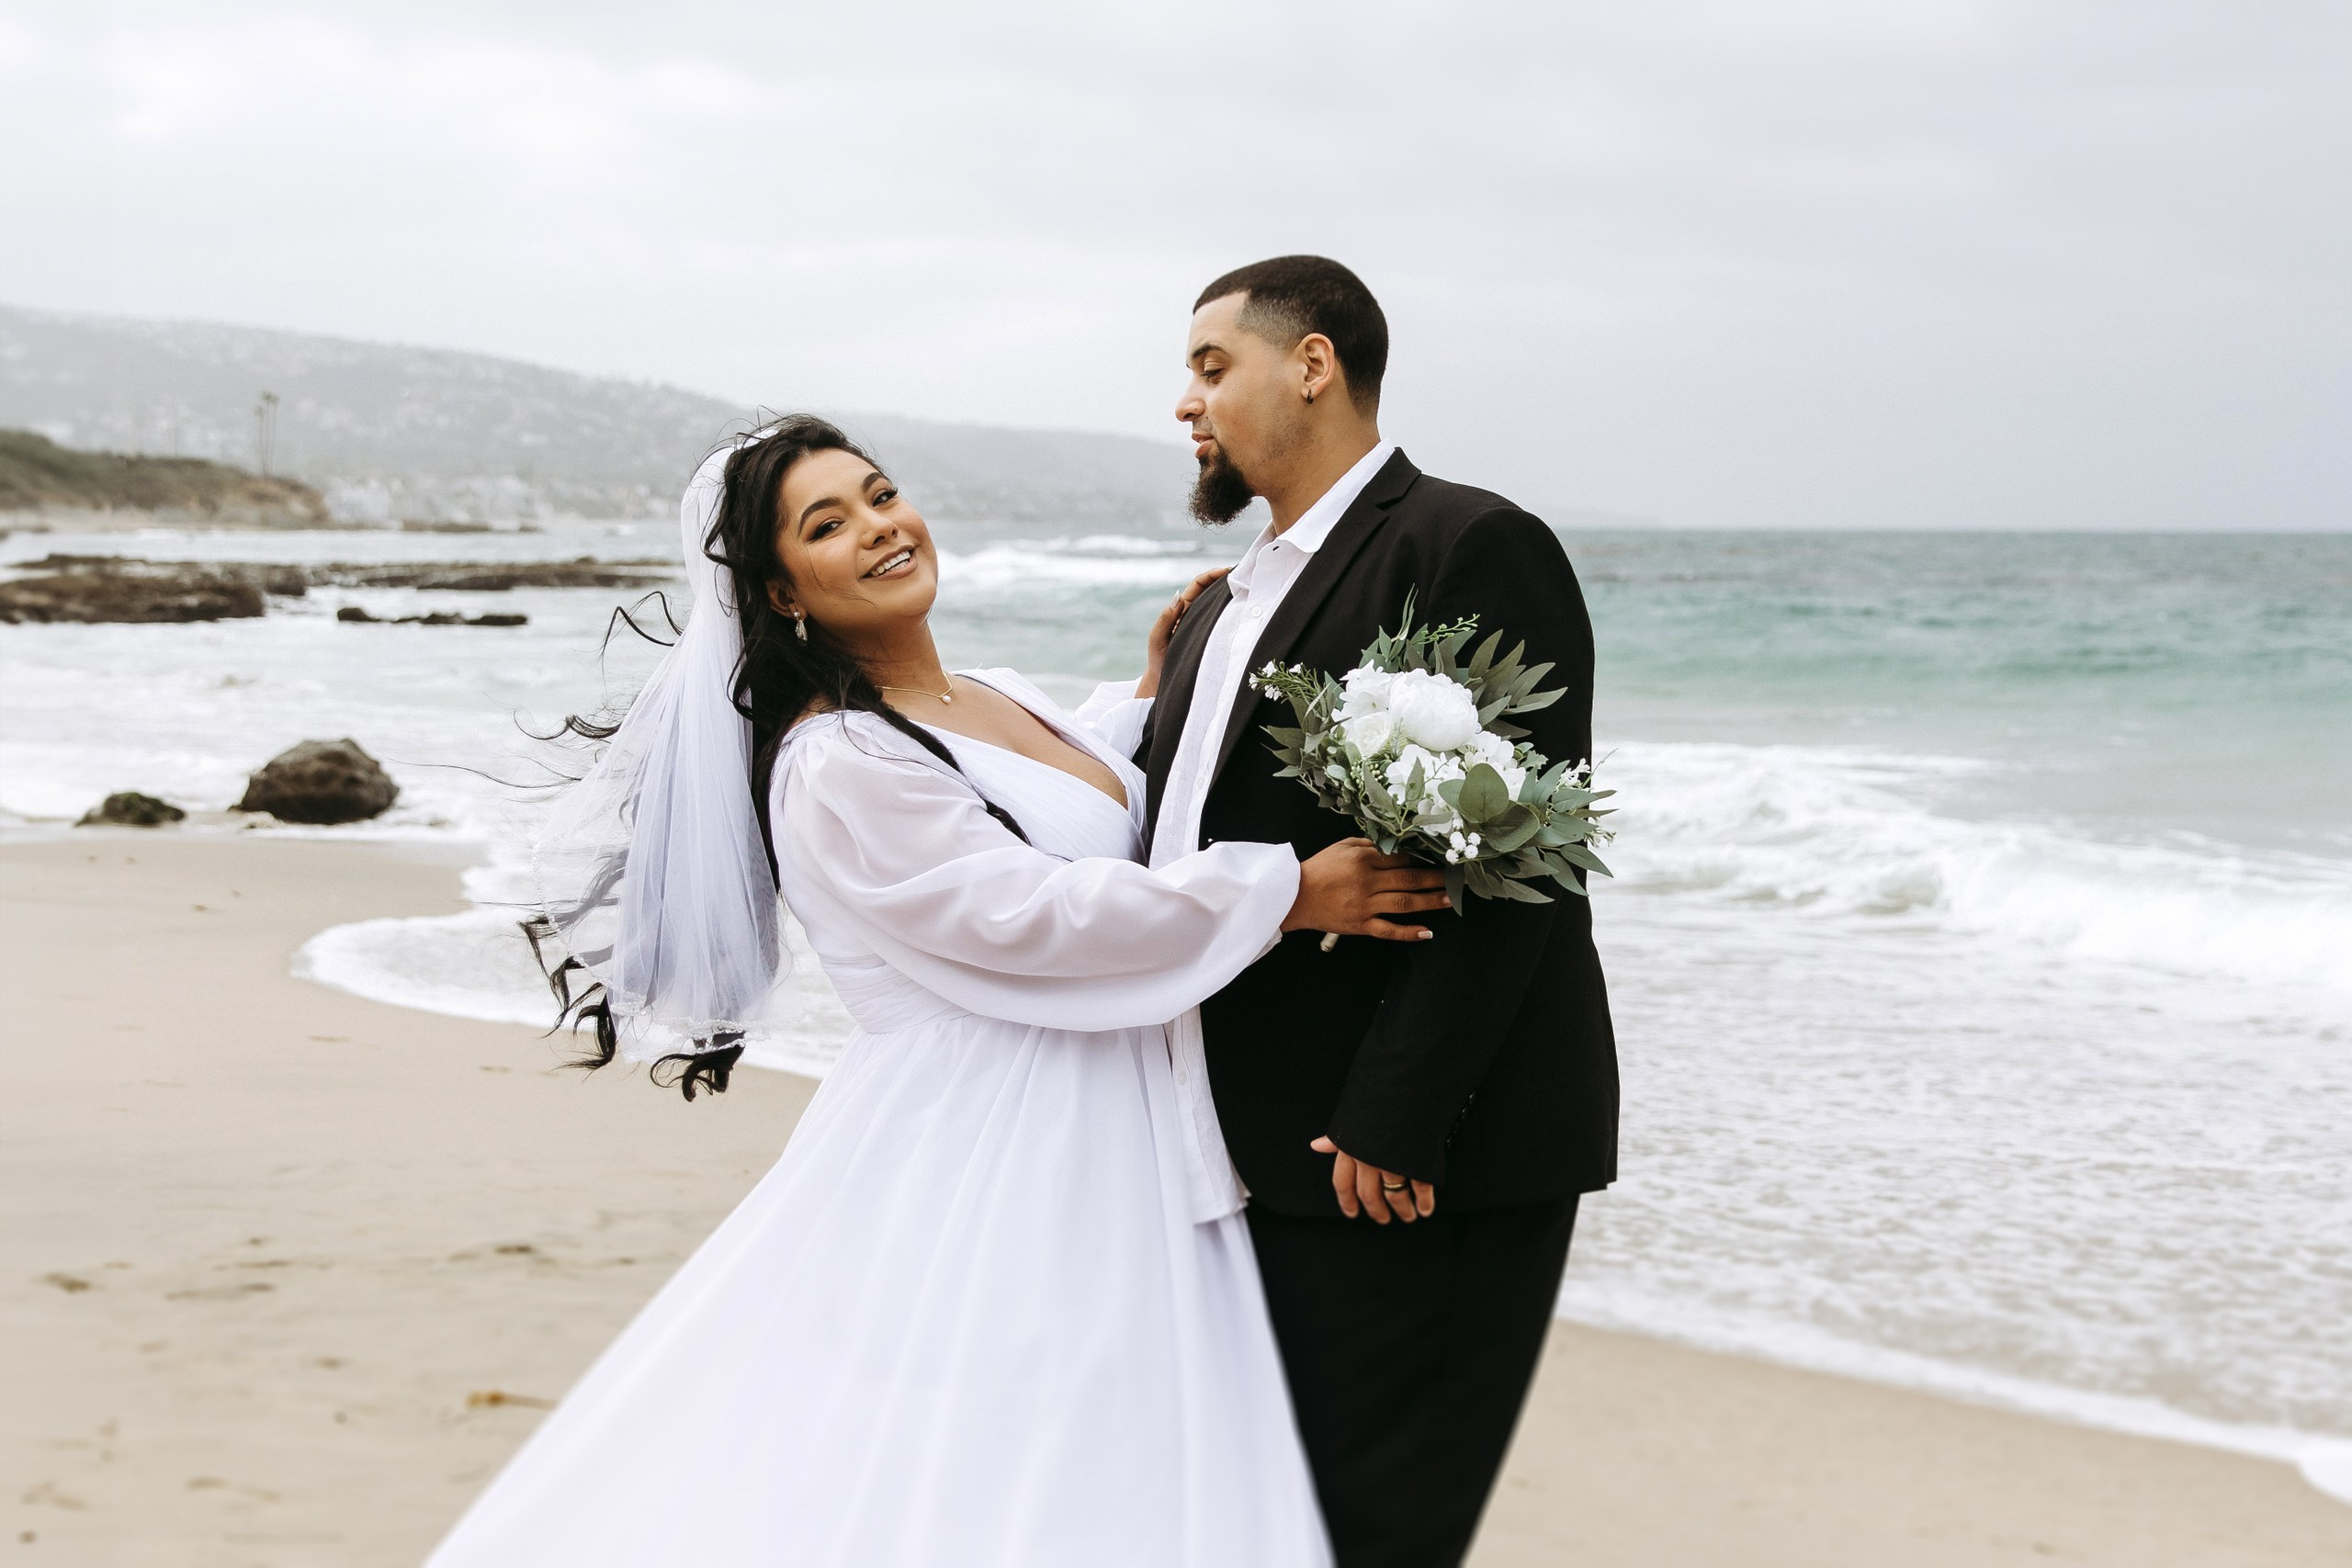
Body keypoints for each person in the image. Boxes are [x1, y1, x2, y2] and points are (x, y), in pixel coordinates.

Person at [425, 416, 1453, 1567]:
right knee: (1013, 1456)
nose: (879, 528)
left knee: (1125, 1461)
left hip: (1112, 1113)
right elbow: (1028, 915)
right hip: (1000, 1143)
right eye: (829, 525)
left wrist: (1149, 697)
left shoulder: (988, 692)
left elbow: (1074, 807)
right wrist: (1283, 891)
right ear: (780, 594)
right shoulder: (836, 764)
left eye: (879, 495)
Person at [1082, 256, 1620, 1567]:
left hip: (1403, 1156)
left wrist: (1400, 1111)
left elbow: (1518, 858)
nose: (1186, 403)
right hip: (1246, 1146)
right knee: (1279, 1519)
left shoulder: (1466, 543)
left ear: (1311, 364)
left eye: (1211, 367)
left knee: (1379, 1522)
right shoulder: (1219, 607)